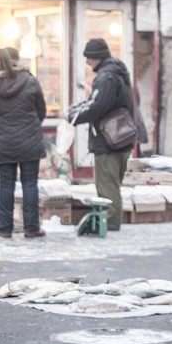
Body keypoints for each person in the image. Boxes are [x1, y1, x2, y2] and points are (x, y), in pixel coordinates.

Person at [67, 38, 136, 232]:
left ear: (96, 58)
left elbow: (98, 106)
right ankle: (112, 221)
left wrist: (74, 117)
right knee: (112, 183)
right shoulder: (117, 72)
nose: (87, 63)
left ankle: (110, 222)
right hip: (121, 137)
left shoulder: (106, 77)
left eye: (88, 58)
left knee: (107, 185)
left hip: (108, 140)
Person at [0, 47, 47, 239]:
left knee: (6, 185)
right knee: (29, 183)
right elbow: (41, 112)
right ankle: (32, 228)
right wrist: (29, 126)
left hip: (5, 142)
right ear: (19, 60)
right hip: (30, 142)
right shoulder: (31, 82)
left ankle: (4, 228)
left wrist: (4, 128)